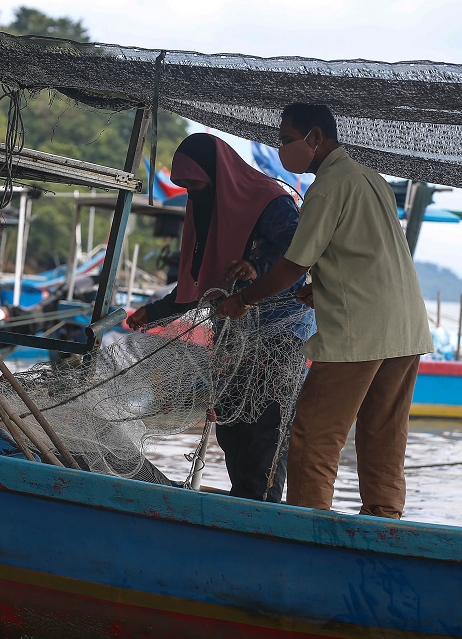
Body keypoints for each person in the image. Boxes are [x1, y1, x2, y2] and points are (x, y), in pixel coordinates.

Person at [217, 103, 433, 519]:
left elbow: (292, 266)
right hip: (406, 329)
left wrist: (241, 299)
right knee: (383, 433)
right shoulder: (372, 178)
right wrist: (325, 285)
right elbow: (370, 253)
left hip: (361, 332)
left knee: (314, 433)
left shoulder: (329, 185)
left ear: (315, 138)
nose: (281, 149)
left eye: (285, 139)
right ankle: (383, 521)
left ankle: (306, 527)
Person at [126, 133, 312, 502]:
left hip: (280, 333)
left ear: (217, 175)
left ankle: (263, 508)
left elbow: (294, 246)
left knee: (265, 426)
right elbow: (206, 282)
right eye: (185, 188)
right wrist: (157, 311)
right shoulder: (208, 210)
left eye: (196, 185)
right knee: (229, 421)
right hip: (233, 334)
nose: (194, 195)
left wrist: (255, 265)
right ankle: (244, 502)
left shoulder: (269, 199)